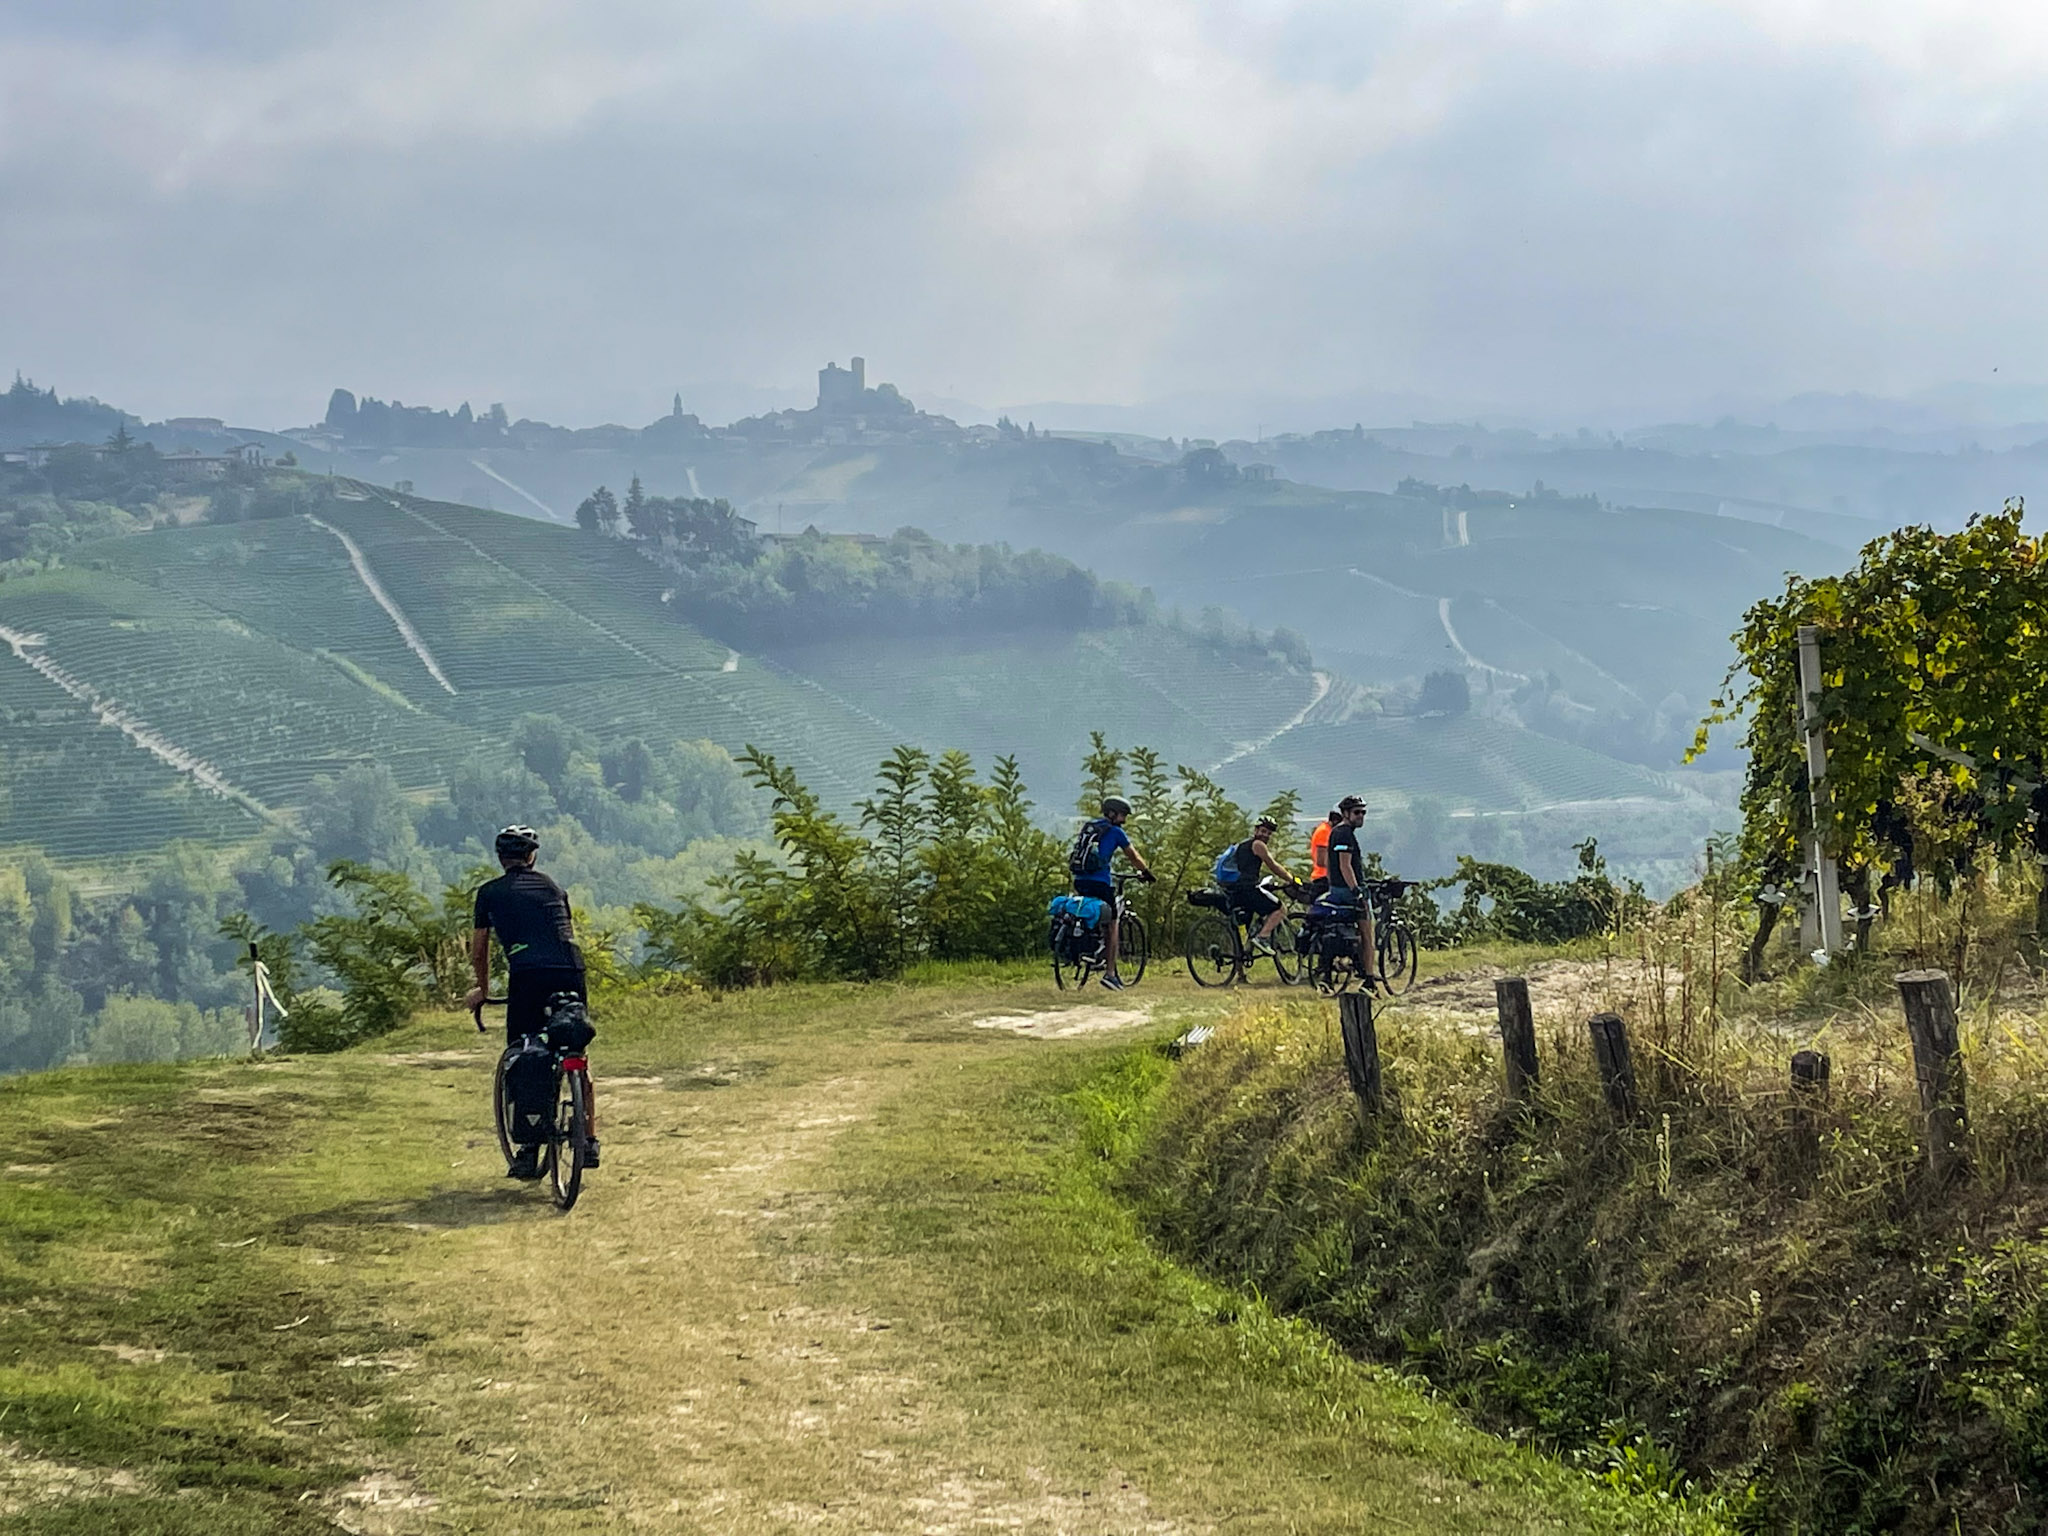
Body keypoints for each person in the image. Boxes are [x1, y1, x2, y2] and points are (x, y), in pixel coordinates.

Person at [466, 825, 600, 1177]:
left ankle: (527, 1149)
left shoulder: (489, 893)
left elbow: (480, 950)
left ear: (500, 858)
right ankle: (589, 1140)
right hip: (570, 969)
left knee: (523, 1052)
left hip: (527, 975)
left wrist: (482, 988)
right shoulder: (553, 887)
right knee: (575, 1050)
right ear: (532, 856)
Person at [1071, 795, 1154, 991]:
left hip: (1080, 880)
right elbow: (1133, 856)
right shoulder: (1116, 832)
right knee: (1113, 924)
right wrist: (1146, 872)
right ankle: (1110, 974)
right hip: (1100, 882)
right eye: (1123, 815)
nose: (1124, 819)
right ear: (1112, 814)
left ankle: (1091, 948)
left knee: (1092, 913)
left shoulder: (1090, 827)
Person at [1323, 795, 1381, 988]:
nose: (1361, 816)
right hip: (1349, 890)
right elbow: (1345, 866)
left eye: (1363, 812)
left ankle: (1331, 972)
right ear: (1346, 814)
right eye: (1357, 812)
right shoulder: (1345, 834)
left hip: (1335, 889)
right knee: (1367, 934)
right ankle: (1369, 979)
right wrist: (1357, 892)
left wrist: (1332, 887)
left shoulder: (1334, 832)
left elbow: (1330, 866)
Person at [1224, 815, 1298, 953]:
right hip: (1249, 889)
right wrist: (1291, 879)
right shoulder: (1258, 845)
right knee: (1280, 909)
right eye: (1263, 831)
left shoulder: (1241, 845)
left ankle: (1241, 965)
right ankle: (1262, 938)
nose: (1266, 835)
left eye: (1269, 833)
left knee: (1245, 928)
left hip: (1236, 890)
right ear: (1256, 830)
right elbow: (1273, 865)